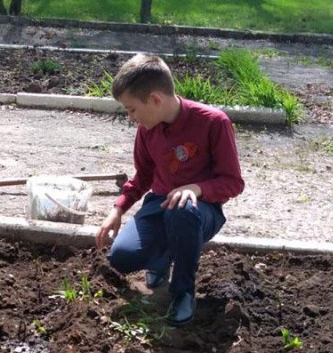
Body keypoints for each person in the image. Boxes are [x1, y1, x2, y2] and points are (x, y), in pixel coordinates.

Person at [96, 53, 244, 326]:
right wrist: (118, 208)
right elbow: (144, 176)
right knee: (121, 256)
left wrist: (196, 189)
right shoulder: (148, 128)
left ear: (155, 99)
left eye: (131, 109)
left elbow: (233, 182)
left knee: (183, 211)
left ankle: (183, 292)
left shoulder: (213, 123)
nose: (131, 118)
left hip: (201, 210)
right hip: (160, 203)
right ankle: (161, 261)